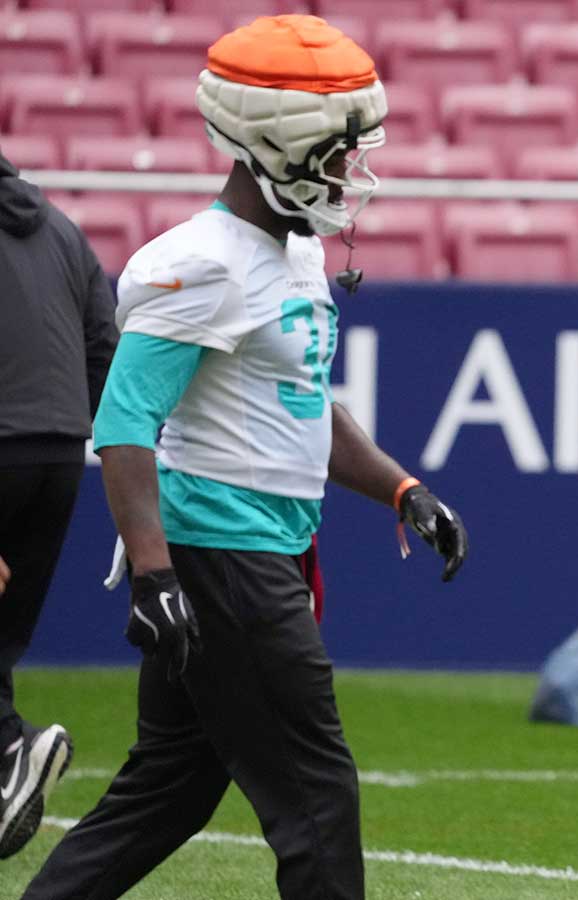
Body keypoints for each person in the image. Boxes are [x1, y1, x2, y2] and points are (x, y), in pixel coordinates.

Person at [23, 16, 466, 899]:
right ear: (284, 144)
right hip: (223, 554)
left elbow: (309, 404)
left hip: (260, 548)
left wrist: (401, 489)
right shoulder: (201, 262)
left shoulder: (291, 252)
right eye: (340, 152)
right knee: (316, 796)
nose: (353, 171)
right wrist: (154, 577)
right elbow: (122, 424)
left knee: (170, 790)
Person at [0, 149, 118, 858]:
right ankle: (12, 763)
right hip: (59, 454)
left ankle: (14, 747)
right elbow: (106, 349)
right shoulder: (64, 230)